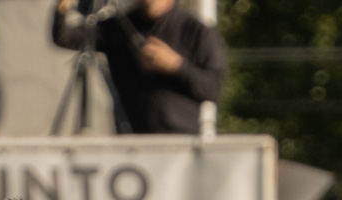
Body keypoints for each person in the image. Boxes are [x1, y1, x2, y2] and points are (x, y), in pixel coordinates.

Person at [51, 0, 226, 135]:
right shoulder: (119, 27)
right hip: (132, 142)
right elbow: (66, 37)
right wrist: (63, 8)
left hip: (179, 145)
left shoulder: (196, 31)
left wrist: (176, 65)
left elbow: (212, 89)